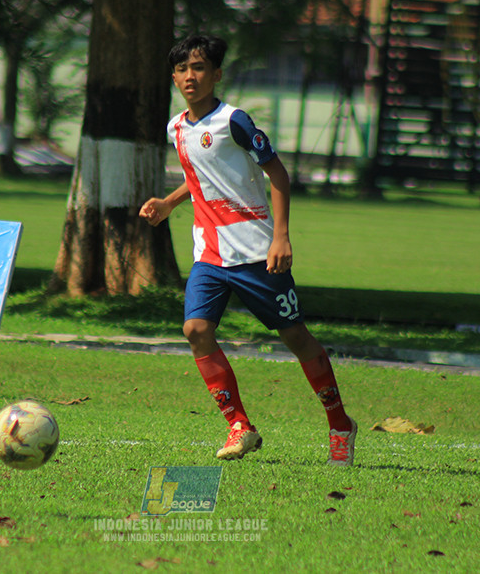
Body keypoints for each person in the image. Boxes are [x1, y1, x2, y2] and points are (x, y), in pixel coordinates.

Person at [140, 34, 358, 466]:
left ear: (216, 74)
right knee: (195, 330)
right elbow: (201, 178)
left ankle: (340, 424)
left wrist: (281, 236)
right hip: (210, 254)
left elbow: (278, 174)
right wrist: (168, 203)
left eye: (198, 68)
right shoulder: (176, 127)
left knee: (295, 337)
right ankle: (240, 425)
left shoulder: (234, 121)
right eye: (182, 70)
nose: (190, 76)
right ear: (174, 78)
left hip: (257, 252)